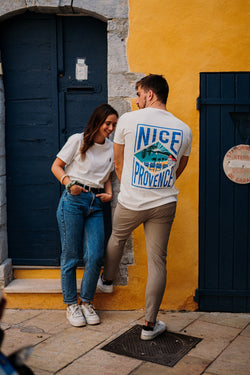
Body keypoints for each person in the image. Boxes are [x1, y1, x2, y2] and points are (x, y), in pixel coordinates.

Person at [97, 74, 192, 340]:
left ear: (149, 94)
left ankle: (106, 281)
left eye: (138, 94)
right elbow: (177, 169)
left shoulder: (128, 119)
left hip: (130, 200)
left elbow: (118, 163)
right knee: (157, 262)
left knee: (117, 237)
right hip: (164, 202)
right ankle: (149, 326)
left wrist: (130, 186)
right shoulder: (184, 129)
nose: (136, 100)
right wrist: (159, 183)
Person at [51, 103, 118, 327]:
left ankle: (87, 302)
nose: (110, 128)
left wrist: (109, 193)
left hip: (96, 204)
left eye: (114, 125)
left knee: (96, 254)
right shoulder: (77, 140)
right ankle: (71, 305)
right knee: (70, 254)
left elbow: (107, 174)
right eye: (107, 123)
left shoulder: (111, 148)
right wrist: (70, 184)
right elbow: (57, 166)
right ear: (97, 121)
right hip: (73, 201)